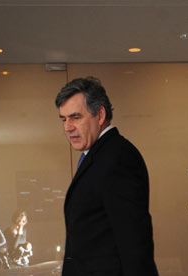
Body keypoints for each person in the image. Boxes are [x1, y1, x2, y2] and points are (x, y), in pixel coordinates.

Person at [55, 77, 158, 276]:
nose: (67, 127)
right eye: (64, 119)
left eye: (75, 117)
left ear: (100, 115)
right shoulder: (98, 155)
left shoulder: (118, 158)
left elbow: (134, 240)